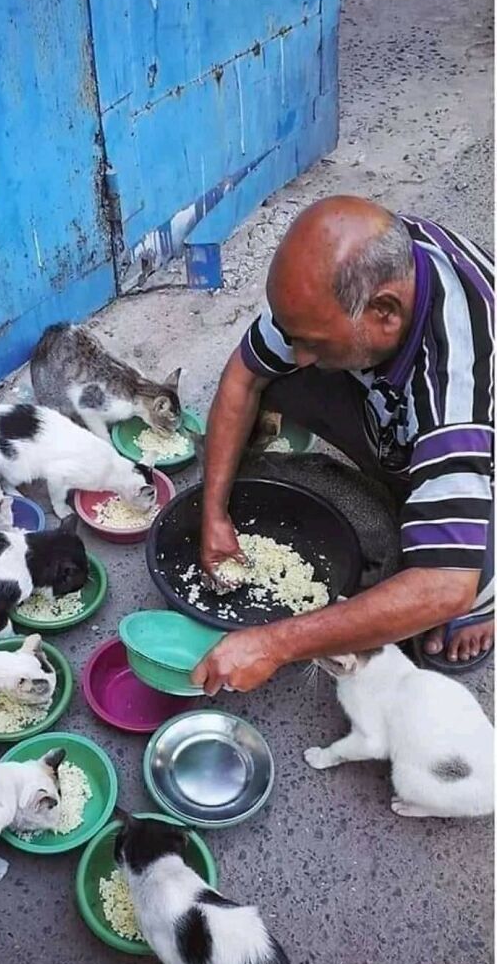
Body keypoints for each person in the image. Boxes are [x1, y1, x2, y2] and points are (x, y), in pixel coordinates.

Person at [194, 196, 493, 696]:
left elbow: (444, 584)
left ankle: (489, 591)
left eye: (315, 340)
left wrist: (273, 643)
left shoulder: (454, 387)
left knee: (447, 596)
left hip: (482, 444)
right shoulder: (351, 280)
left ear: (385, 312)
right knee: (277, 374)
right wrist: (214, 511)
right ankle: (410, 477)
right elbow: (243, 376)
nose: (301, 353)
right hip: (405, 411)